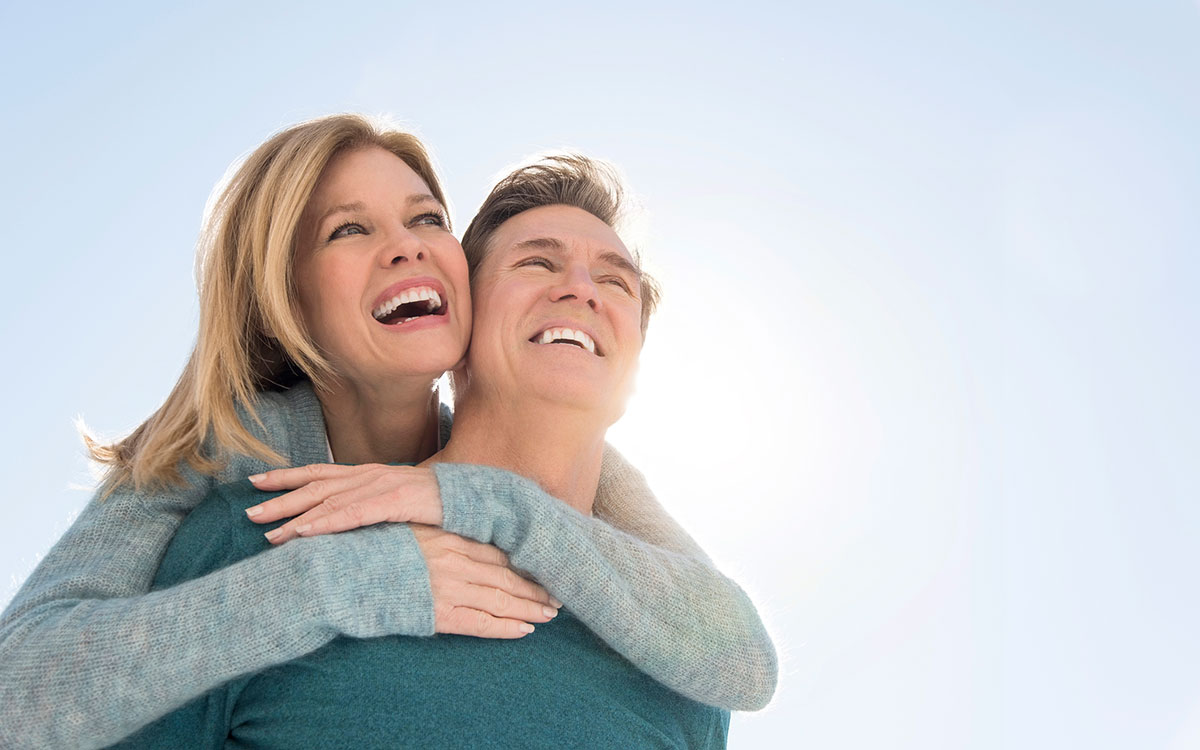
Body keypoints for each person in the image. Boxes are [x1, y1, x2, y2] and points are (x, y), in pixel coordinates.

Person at [0, 116, 776, 750]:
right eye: (347, 230)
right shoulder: (240, 503)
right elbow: (18, 695)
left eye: (427, 218)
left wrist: (482, 499)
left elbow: (742, 657)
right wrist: (345, 579)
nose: (580, 290)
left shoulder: (665, 631)